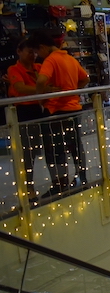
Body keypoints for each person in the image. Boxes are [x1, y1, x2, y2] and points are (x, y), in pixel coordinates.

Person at [29, 29, 90, 198]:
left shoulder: (51, 60)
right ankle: (82, 178)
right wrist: (73, 91)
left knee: (55, 150)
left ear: (42, 47)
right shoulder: (69, 58)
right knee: (76, 146)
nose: (37, 55)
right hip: (75, 109)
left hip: (56, 110)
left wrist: (42, 96)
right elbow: (85, 78)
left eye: (36, 51)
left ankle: (60, 184)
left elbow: (41, 80)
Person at [6, 39, 45, 194]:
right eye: (29, 51)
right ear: (19, 51)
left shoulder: (39, 68)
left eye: (35, 52)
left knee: (35, 150)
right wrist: (43, 89)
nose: (33, 55)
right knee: (26, 152)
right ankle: (28, 186)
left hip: (38, 110)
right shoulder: (14, 69)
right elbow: (20, 88)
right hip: (22, 112)